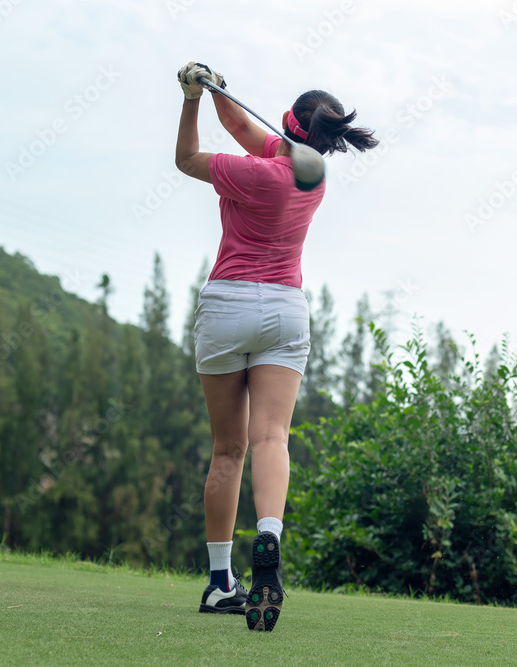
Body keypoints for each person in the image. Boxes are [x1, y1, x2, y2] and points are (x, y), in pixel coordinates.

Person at [174, 61, 378, 631]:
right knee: (271, 438)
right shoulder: (311, 175)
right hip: (286, 311)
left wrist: (191, 99)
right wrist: (215, 88)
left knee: (227, 450)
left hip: (228, 304)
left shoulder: (257, 174)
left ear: (290, 122)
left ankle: (220, 583)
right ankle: (268, 535)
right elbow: (245, 129)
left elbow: (187, 159)